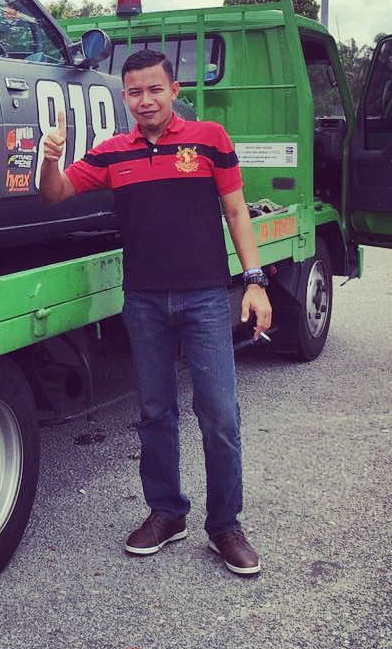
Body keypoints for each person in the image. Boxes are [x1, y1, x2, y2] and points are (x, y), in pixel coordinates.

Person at [40, 48, 271, 577]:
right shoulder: (111, 153)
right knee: (155, 413)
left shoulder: (209, 139)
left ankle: (225, 526)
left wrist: (255, 282)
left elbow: (237, 210)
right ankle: (167, 513)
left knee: (219, 412)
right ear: (125, 97)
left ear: (174, 91)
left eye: (155, 90)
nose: (146, 100)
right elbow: (54, 194)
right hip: (143, 301)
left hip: (205, 297)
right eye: (135, 92)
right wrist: (50, 159)